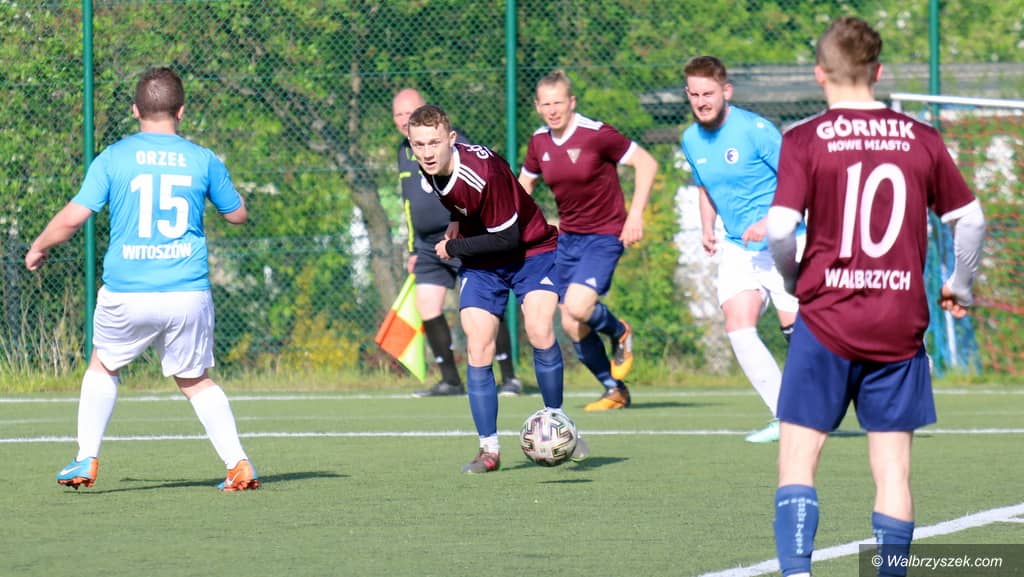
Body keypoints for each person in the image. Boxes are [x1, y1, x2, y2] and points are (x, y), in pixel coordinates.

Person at [766, 17, 985, 577]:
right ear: (879, 72)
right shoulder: (921, 138)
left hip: (826, 319)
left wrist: (792, 281)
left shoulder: (804, 139)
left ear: (820, 74)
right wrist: (959, 285)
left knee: (798, 459)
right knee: (892, 471)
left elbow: (780, 228)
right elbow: (970, 220)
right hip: (898, 323)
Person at [24, 67, 260, 492]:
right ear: (181, 111)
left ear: (135, 110)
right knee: (195, 380)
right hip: (186, 292)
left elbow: (74, 217)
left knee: (103, 364)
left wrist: (39, 245)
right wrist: (227, 195)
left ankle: (86, 458)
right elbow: (237, 214)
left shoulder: (114, 157)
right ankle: (238, 464)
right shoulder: (203, 159)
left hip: (127, 292)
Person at [406, 103, 588, 473]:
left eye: (434, 143)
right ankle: (488, 449)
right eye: (419, 144)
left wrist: (453, 247)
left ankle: (557, 423)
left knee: (539, 329)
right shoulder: (430, 167)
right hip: (483, 262)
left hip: (530, 251)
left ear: (451, 139)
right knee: (478, 345)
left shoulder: (479, 173)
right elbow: (465, 203)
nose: (427, 152)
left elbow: (508, 239)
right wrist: (457, 220)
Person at [519, 70, 657, 412]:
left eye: (558, 103)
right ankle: (614, 389)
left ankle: (620, 331)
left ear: (572, 102)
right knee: (570, 321)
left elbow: (646, 163)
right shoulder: (539, 142)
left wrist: (635, 215)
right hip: (569, 239)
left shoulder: (596, 134)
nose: (552, 110)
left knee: (579, 307)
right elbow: (524, 186)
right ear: (537, 106)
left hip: (605, 234)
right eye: (546, 104)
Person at [680, 56, 798, 443]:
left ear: (726, 91)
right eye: (694, 94)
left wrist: (770, 222)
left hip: (784, 242)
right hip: (737, 247)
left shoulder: (756, 130)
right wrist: (707, 226)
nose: (701, 102)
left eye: (708, 93)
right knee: (738, 326)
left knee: (800, 335)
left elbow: (797, 180)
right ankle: (784, 416)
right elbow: (705, 185)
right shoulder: (690, 139)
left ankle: (876, 371)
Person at [392, 88, 524, 397]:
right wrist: (413, 248)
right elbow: (409, 204)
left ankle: (509, 377)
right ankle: (450, 380)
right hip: (427, 245)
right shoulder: (403, 151)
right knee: (427, 304)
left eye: (410, 112)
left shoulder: (455, 142)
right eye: (398, 114)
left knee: (482, 306)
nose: (404, 119)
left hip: (463, 236)